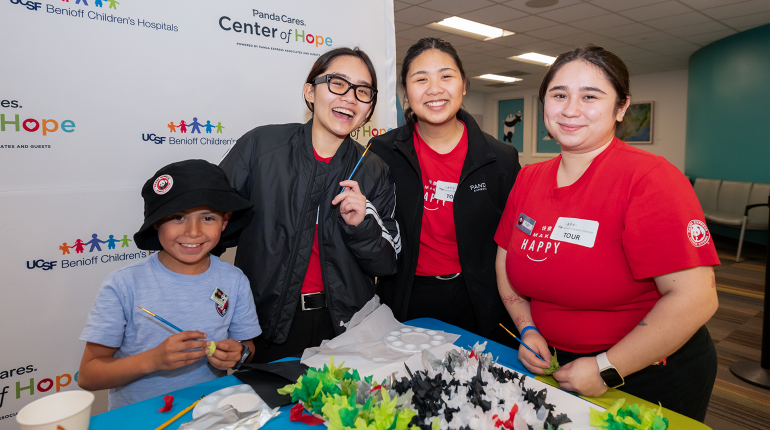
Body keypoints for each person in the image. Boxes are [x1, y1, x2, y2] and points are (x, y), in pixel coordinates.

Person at [494, 45, 719, 421]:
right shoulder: (529, 178)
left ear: (621, 107)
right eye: (559, 94)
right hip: (554, 363)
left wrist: (606, 366)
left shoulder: (650, 180)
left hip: (645, 374)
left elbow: (696, 299)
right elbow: (506, 260)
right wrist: (528, 327)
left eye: (590, 96)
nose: (570, 109)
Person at [219, 47, 400, 363]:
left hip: (346, 330)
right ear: (310, 91)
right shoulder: (260, 148)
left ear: (369, 108)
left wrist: (362, 226)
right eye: (337, 83)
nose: (349, 98)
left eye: (363, 91)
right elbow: (212, 228)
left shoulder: (374, 169)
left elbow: (386, 264)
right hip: (267, 326)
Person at [369, 37, 521, 347]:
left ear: (464, 85)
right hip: (407, 296)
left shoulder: (500, 157)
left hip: (479, 298)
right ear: (405, 94)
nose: (434, 88)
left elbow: (514, 242)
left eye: (446, 76)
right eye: (420, 78)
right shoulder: (381, 153)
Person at [78, 160, 261, 410]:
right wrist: (153, 360)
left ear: (225, 221)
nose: (193, 231)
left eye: (208, 218)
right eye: (178, 217)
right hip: (139, 418)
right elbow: (89, 375)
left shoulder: (234, 279)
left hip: (209, 413)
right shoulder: (123, 284)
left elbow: (247, 347)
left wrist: (238, 354)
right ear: (156, 222)